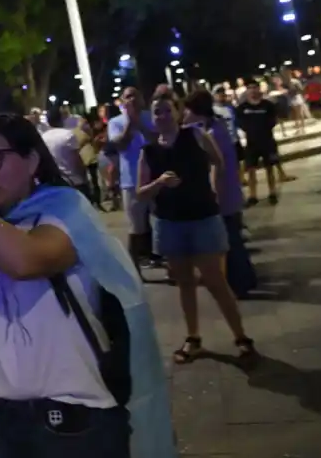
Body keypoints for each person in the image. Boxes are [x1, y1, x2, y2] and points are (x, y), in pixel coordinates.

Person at [0, 114, 175, 458]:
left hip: (76, 418)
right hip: (3, 419)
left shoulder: (64, 208)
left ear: (31, 160)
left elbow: (26, 260)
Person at [136, 93, 256, 365]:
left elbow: (218, 161)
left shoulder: (196, 135)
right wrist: (159, 183)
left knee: (216, 280)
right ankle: (193, 337)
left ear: (178, 112)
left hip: (203, 218)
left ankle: (241, 336)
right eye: (157, 112)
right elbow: (140, 193)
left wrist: (212, 187)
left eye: (167, 110)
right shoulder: (149, 151)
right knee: (185, 283)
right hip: (170, 223)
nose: (162, 116)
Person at [184, 91, 257, 298]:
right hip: (230, 192)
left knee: (231, 241)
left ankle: (241, 284)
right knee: (233, 239)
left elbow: (218, 167)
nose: (184, 115)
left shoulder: (214, 133)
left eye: (187, 110)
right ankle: (247, 279)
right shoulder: (217, 127)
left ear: (197, 111)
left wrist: (213, 195)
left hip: (224, 195)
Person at [108, 87, 160, 275]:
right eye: (127, 97)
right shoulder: (116, 122)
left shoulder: (152, 116)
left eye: (135, 95)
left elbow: (157, 140)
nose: (132, 100)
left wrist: (140, 124)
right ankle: (135, 269)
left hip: (156, 177)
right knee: (136, 227)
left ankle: (170, 264)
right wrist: (130, 123)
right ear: (122, 101)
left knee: (162, 222)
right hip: (131, 180)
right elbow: (120, 145)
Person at [236, 82, 280, 206]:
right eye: (250, 88)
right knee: (250, 169)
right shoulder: (242, 108)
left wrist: (264, 127)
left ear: (259, 89)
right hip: (251, 143)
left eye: (255, 88)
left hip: (267, 141)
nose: (253, 90)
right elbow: (240, 122)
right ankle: (253, 195)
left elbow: (274, 120)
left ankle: (272, 192)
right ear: (247, 91)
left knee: (269, 168)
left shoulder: (268, 105)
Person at [42, 110, 92, 200]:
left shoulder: (43, 137)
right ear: (61, 119)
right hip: (75, 180)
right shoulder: (67, 134)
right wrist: (84, 176)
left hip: (57, 181)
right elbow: (76, 159)